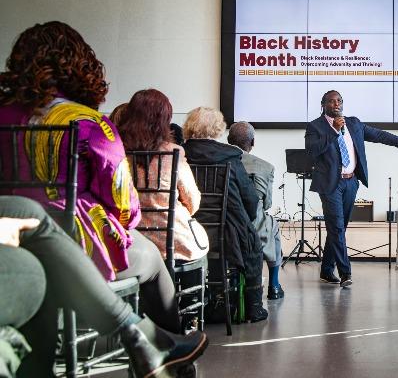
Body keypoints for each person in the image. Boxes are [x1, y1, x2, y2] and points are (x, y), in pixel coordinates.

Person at [0, 21, 180, 333]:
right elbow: (123, 203)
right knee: (151, 258)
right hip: (78, 242)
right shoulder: (89, 122)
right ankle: (172, 349)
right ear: (79, 65)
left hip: (9, 242)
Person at [0, 195, 207, 377]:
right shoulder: (96, 148)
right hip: (85, 227)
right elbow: (124, 205)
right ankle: (160, 351)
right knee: (152, 259)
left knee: (31, 215)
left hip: (48, 227)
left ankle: (144, 339)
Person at [306, 90, 398, 287]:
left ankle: (327, 270)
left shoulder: (353, 123)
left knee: (338, 228)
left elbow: (379, 135)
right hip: (330, 184)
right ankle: (346, 273)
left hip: (351, 182)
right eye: (331, 101)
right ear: (323, 105)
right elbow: (312, 151)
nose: (336, 104)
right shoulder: (315, 126)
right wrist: (334, 131)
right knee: (336, 228)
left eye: (339, 101)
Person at [183, 107, 268, 322]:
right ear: (218, 129)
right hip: (227, 233)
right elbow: (250, 199)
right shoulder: (230, 156)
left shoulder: (180, 154)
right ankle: (253, 308)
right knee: (253, 246)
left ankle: (193, 303)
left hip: (188, 231)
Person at [118, 89, 209, 263]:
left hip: (131, 240)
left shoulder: (118, 151)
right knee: (201, 254)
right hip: (172, 242)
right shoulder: (173, 153)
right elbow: (193, 202)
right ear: (164, 120)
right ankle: (185, 290)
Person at [228, 121, 285, 300]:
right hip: (255, 228)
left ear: (229, 140)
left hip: (226, 227)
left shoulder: (221, 162)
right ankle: (274, 286)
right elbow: (267, 204)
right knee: (273, 225)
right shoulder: (266, 167)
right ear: (252, 143)